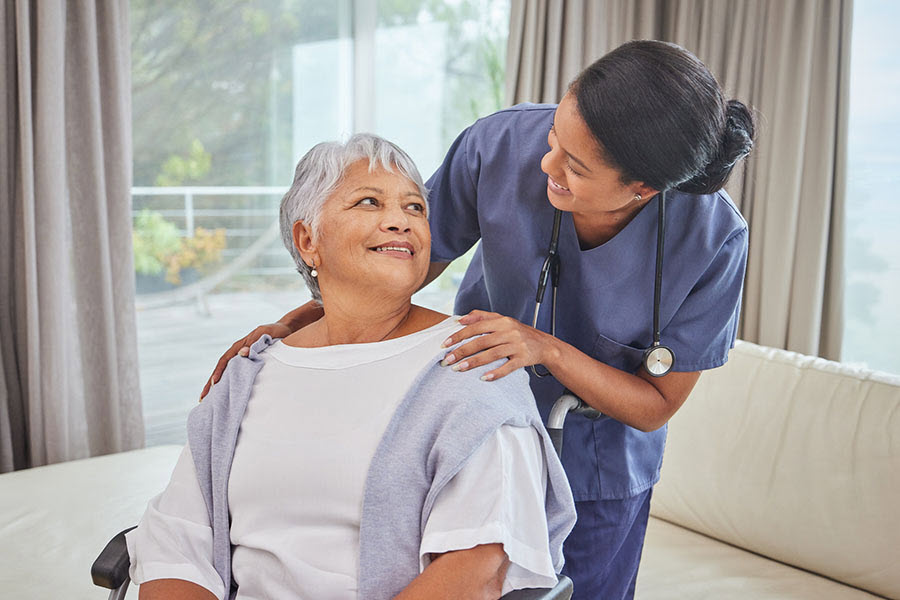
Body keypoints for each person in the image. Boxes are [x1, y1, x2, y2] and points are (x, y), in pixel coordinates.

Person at [203, 40, 754, 600]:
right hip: (465, 427)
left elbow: (655, 404)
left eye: (576, 167)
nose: (546, 164)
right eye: (554, 137)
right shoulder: (499, 145)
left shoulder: (712, 240)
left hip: (596, 468)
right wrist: (297, 324)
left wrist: (546, 348)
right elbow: (392, 265)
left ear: (642, 189)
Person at [128, 134, 576, 600]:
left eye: (415, 208)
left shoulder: (472, 363)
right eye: (369, 202)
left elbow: (478, 565)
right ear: (308, 241)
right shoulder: (248, 376)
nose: (400, 221)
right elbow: (178, 544)